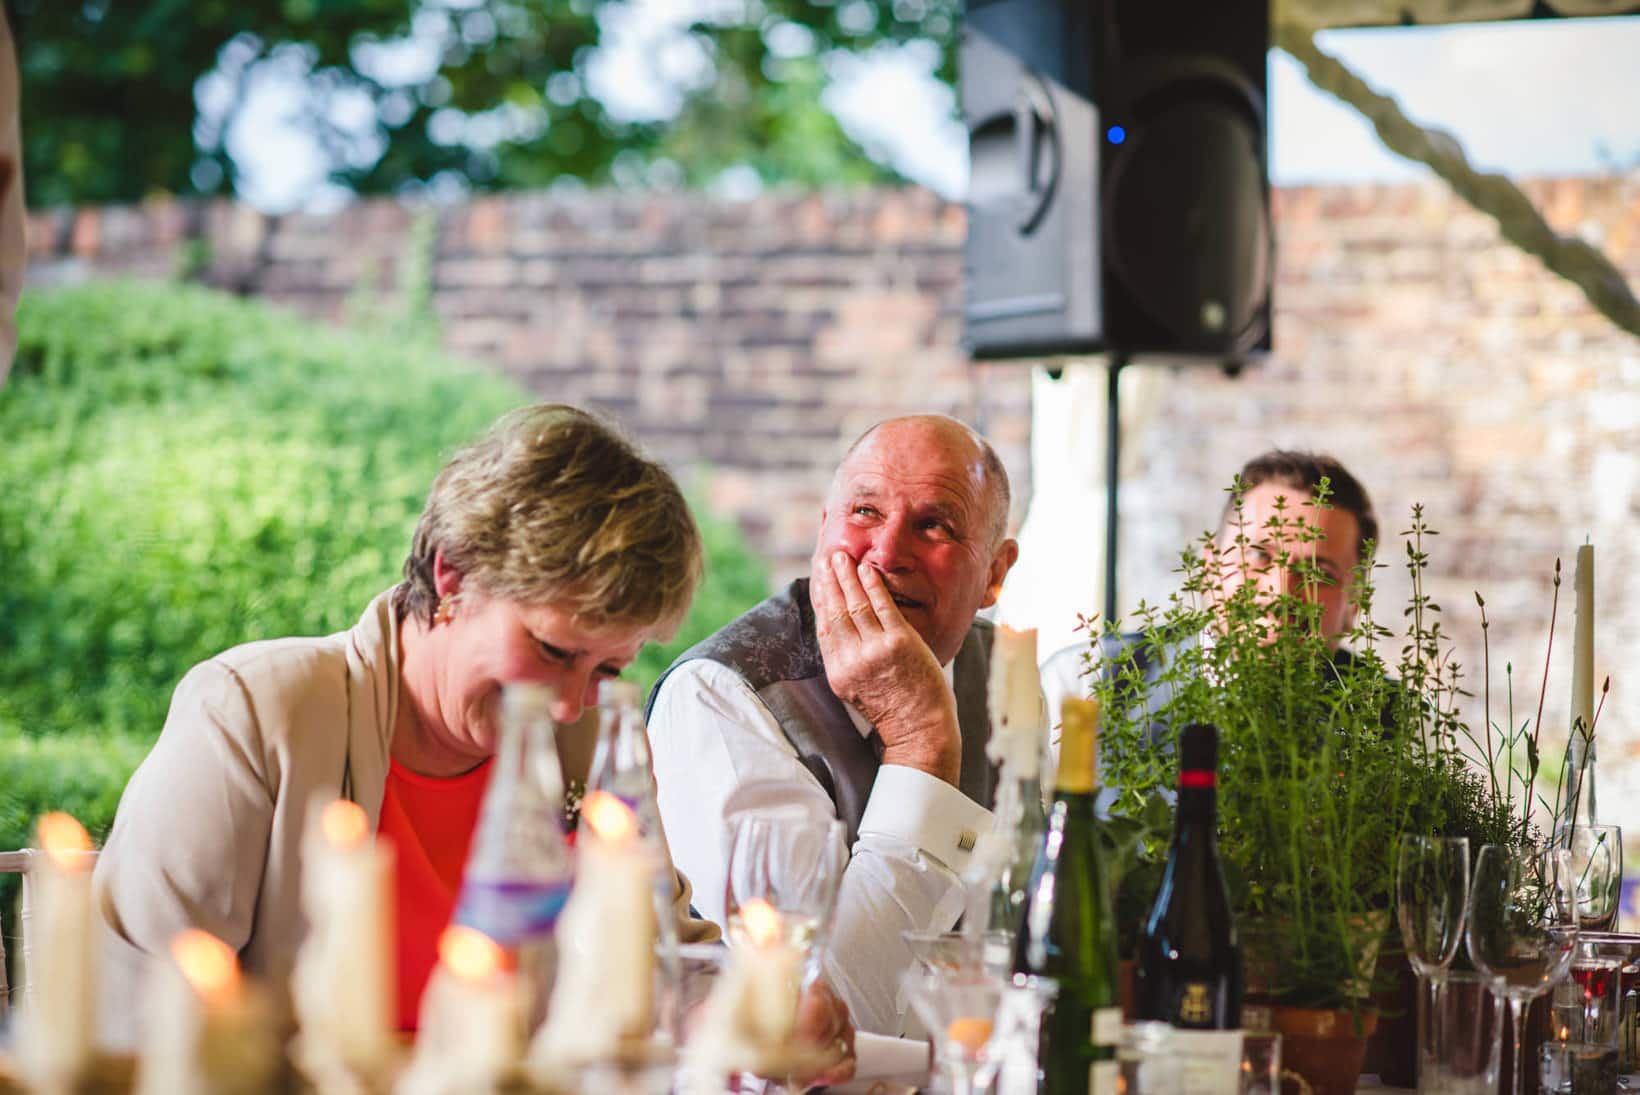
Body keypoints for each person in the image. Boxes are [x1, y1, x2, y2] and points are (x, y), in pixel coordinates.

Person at [93, 404, 856, 1081]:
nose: (566, 704)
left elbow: (662, 966)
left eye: (608, 667)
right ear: (452, 575)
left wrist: (760, 1010)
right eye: (553, 651)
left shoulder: (592, 744)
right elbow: (136, 1012)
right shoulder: (256, 713)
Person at [647, 414, 1020, 1035]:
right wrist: (921, 746)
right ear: (824, 530)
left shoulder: (1005, 673)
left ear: (996, 573)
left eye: (935, 525)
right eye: (865, 513)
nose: (887, 551)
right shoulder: (721, 696)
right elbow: (811, 1025)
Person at [1040, 448, 1379, 740]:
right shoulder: (1082, 684)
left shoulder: (1393, 724)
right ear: (1209, 568)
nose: (1281, 591)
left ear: (1355, 604)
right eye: (1259, 555)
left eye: (1319, 573)